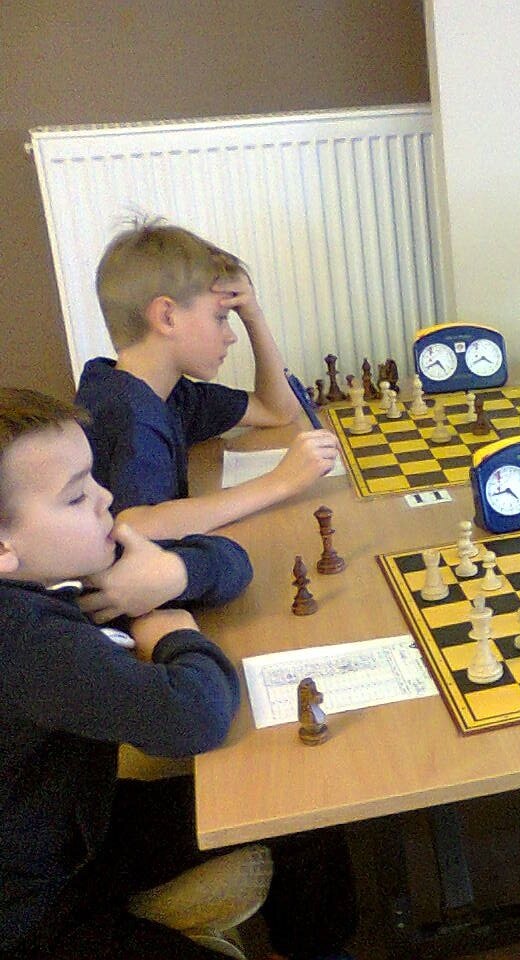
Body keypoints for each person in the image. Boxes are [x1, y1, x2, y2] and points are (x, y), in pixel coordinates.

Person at [0, 389, 358, 959]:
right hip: (29, 910)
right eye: (76, 496)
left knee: (299, 808)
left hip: (80, 829)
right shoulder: (22, 636)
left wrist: (171, 573)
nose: (106, 499)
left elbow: (228, 560)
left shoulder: (56, 567)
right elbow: (194, 716)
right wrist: (175, 634)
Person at [75, 220, 339, 540]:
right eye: (220, 318)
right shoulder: (129, 412)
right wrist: (282, 481)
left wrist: (252, 313)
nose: (230, 336)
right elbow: (135, 526)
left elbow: (277, 410)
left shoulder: (170, 395)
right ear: (167, 316)